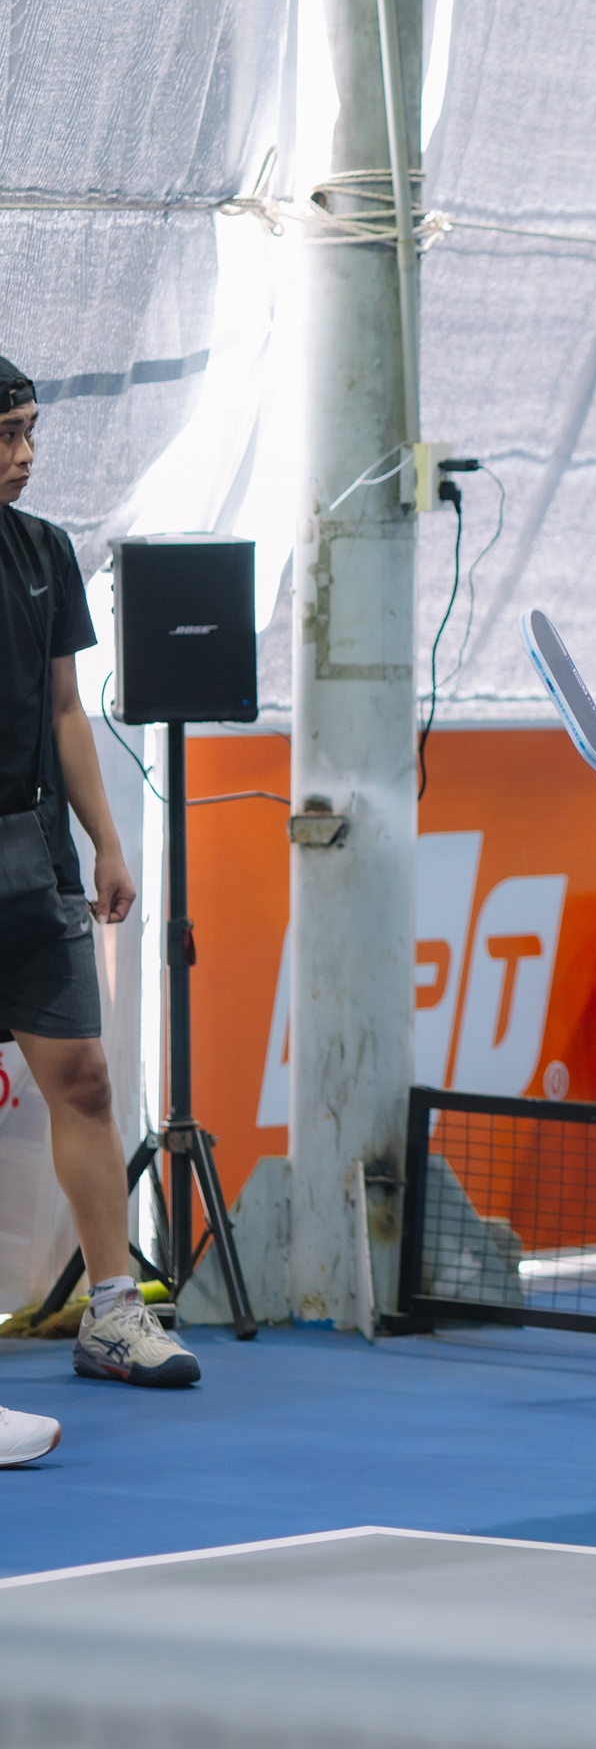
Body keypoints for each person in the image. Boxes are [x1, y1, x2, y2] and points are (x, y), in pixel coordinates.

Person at [0, 355, 199, 1469]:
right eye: (7, 434)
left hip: (35, 859)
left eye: (31, 429)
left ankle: (114, 1313)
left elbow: (68, 709)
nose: (26, 453)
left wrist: (108, 841)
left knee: (83, 1079)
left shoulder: (43, 552)